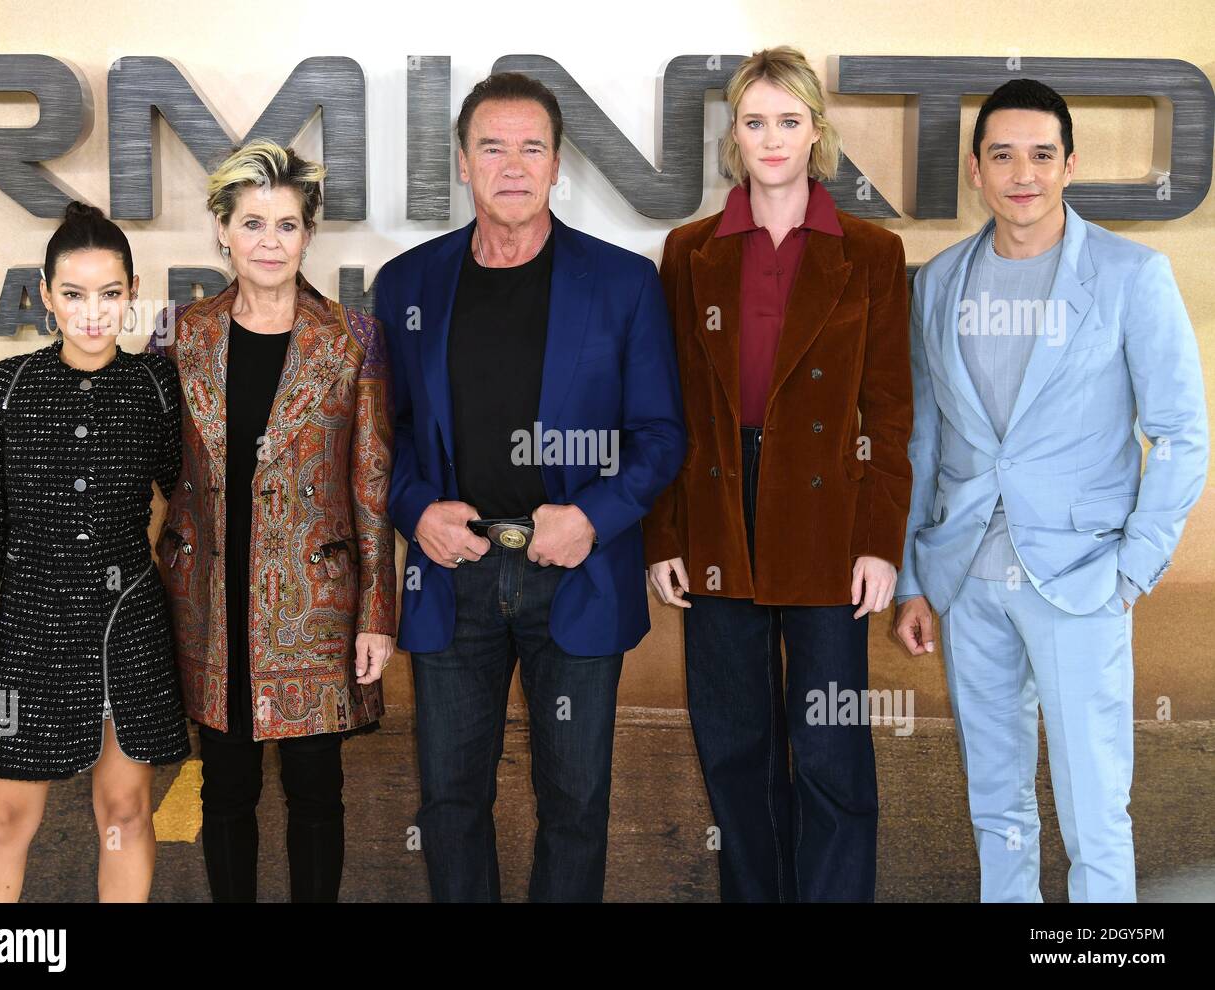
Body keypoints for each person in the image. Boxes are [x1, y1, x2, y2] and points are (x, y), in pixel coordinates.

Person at [0, 140, 397, 903]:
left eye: (287, 225)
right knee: (220, 790)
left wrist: (376, 613)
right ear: (222, 230)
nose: (269, 241)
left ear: (307, 234)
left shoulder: (351, 340)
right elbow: (147, 467)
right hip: (197, 610)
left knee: (312, 795)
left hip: (309, 611)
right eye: (252, 222)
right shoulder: (181, 338)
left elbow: (372, 484)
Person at [894, 79, 1209, 902]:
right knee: (995, 804)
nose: (1022, 173)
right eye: (1003, 155)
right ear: (975, 170)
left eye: (1041, 155)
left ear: (1070, 165)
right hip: (968, 582)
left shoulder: (1131, 275)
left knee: (1096, 810)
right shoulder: (938, 284)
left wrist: (1134, 569)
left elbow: (1181, 434)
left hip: (1081, 580)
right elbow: (924, 441)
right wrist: (914, 577)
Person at [374, 72, 686, 902]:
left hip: (575, 574)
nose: (512, 166)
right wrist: (414, 510)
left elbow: (660, 436)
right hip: (454, 572)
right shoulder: (407, 287)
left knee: (576, 803)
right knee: (448, 799)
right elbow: (386, 433)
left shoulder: (622, 284)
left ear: (557, 169)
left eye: (532, 148)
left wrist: (591, 517)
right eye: (492, 147)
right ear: (465, 165)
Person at [645, 46, 913, 903]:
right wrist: (665, 535)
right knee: (734, 746)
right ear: (735, 134)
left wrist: (879, 544)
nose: (771, 138)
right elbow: (667, 410)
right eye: (755, 121)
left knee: (831, 748)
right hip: (718, 507)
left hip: (827, 513)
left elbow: (891, 414)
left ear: (815, 133)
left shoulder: (871, 253)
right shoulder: (688, 253)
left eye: (788, 121)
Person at [0, 201, 190, 901]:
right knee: (4, 816)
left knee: (124, 812)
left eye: (110, 294)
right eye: (75, 294)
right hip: (27, 626)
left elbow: (189, 499)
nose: (93, 313)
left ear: (131, 294)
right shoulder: (9, 383)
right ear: (46, 296)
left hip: (128, 628)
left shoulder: (154, 386)